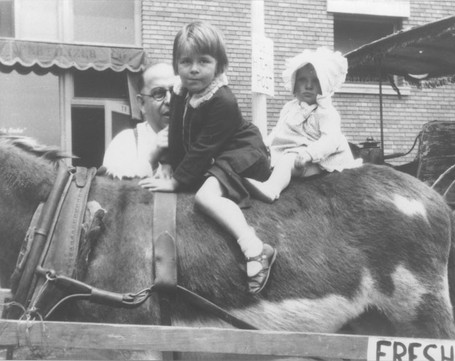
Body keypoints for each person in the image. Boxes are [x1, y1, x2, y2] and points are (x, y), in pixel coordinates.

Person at [139, 21, 276, 294]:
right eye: (185, 61)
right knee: (194, 185)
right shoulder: (179, 92)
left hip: (241, 150)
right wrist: (167, 163)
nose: (193, 69)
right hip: (217, 151)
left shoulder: (223, 100)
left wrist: (177, 181)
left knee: (205, 197)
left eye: (204, 61)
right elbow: (176, 134)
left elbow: (203, 148)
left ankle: (255, 248)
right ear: (176, 64)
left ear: (219, 65)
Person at [245, 47, 362, 203]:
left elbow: (331, 140)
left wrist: (309, 154)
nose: (308, 86)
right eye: (302, 80)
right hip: (293, 152)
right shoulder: (290, 108)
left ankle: (272, 189)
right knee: (262, 156)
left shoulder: (326, 111)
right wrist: (264, 145)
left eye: (315, 81)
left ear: (325, 85)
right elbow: (279, 131)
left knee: (286, 162)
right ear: (294, 84)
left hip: (319, 161)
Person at [102, 62, 176, 179]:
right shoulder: (124, 143)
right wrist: (150, 159)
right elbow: (113, 192)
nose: (169, 100)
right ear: (141, 103)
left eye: (175, 91)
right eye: (158, 93)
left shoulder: (197, 143)